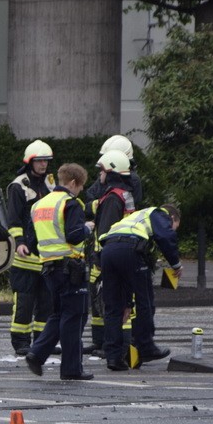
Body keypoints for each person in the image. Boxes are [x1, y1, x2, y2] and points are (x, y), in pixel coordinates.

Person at [23, 163, 95, 380]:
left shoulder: (38, 205)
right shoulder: (70, 203)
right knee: (74, 316)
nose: (80, 190)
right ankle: (71, 369)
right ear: (73, 183)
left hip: (49, 268)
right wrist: (87, 229)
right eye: (80, 186)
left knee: (58, 314)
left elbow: (32, 241)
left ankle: (36, 354)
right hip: (70, 268)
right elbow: (74, 235)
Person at [99, 204, 183, 371]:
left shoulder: (135, 217)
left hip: (108, 250)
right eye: (175, 226)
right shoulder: (159, 213)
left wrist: (128, 303)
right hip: (130, 248)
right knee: (145, 300)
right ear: (172, 218)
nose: (172, 229)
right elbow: (166, 237)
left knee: (114, 307)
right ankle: (146, 347)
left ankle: (113, 357)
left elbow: (128, 278)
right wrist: (176, 264)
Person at [85, 148, 138, 356]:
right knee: (118, 302)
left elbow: (105, 232)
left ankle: (117, 348)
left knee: (111, 303)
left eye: (102, 171)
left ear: (112, 172)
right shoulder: (125, 194)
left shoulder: (112, 198)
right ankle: (114, 346)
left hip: (109, 258)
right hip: (125, 254)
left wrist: (100, 258)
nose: (100, 175)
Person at [5, 140, 55, 356]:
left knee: (46, 303)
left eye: (46, 161)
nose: (43, 165)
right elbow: (14, 220)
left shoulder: (50, 185)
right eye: (40, 161)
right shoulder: (19, 186)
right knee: (24, 303)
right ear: (30, 162)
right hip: (25, 257)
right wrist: (20, 243)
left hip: (45, 255)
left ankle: (42, 342)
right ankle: (21, 342)